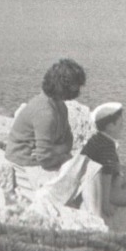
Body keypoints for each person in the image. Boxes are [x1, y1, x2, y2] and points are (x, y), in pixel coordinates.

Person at [5, 58, 86, 188]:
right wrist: (60, 155)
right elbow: (45, 159)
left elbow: (69, 141)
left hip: (46, 158)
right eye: (75, 87)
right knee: (69, 187)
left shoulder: (60, 106)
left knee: (83, 176)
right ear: (63, 87)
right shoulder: (45, 112)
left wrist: (56, 150)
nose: (78, 91)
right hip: (26, 162)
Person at [80, 102, 126, 230]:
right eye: (120, 124)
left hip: (96, 182)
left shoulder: (99, 138)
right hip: (100, 188)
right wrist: (105, 203)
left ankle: (119, 200)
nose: (123, 127)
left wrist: (120, 175)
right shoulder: (107, 146)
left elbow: (111, 165)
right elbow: (106, 173)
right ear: (110, 126)